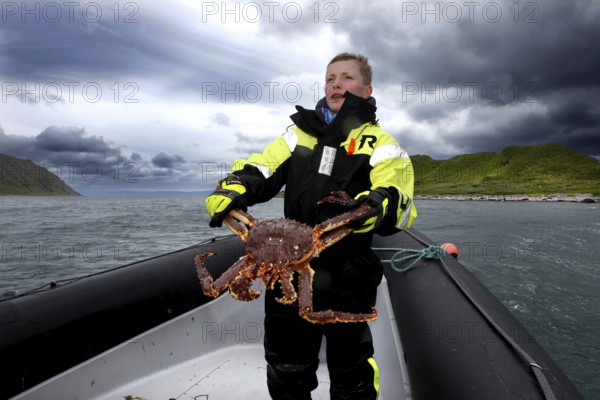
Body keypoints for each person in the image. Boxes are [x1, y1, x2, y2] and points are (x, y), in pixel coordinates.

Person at [204, 52, 417, 400]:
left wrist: (375, 206)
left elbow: (397, 194)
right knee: (285, 363)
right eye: (331, 78)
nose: (337, 83)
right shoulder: (297, 137)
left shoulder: (380, 143)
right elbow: (262, 168)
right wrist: (233, 187)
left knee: (352, 368)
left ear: (367, 90)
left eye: (347, 77)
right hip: (283, 266)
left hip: (348, 269)